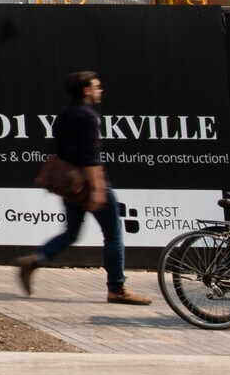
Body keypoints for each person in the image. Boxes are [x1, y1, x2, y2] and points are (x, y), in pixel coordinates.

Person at [15, 70, 153, 305]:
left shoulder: (64, 114)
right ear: (87, 90)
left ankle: (37, 259)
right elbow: (91, 157)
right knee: (114, 235)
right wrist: (98, 189)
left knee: (71, 232)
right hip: (90, 183)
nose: (101, 90)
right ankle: (117, 288)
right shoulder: (88, 116)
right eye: (97, 86)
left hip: (70, 185)